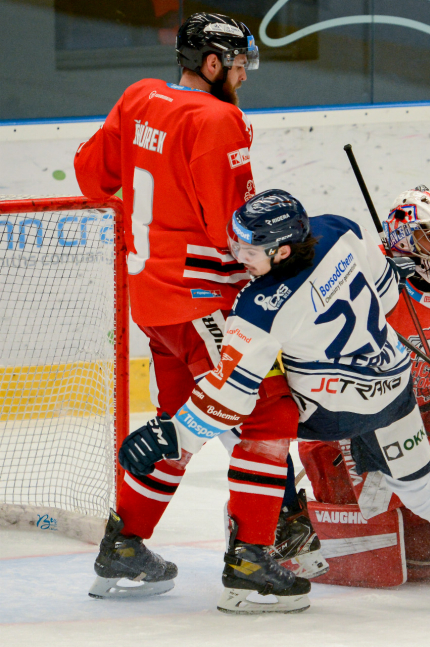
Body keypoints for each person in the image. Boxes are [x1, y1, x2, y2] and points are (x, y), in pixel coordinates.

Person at [117, 189, 430, 611]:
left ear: (281, 251)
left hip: (334, 415)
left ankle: (263, 540)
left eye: (247, 249)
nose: (237, 256)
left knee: (258, 417)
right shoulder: (339, 229)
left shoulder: (257, 309)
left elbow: (228, 397)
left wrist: (171, 434)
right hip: (394, 387)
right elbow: (389, 298)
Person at [74, 13, 308, 612]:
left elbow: (91, 178)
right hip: (203, 299)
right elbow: (235, 232)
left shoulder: (137, 97)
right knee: (267, 414)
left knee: (185, 419)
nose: (241, 78)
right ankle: (252, 557)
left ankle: (124, 545)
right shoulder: (218, 117)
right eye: (235, 66)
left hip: (151, 302)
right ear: (211, 64)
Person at [295, 186, 430, 584]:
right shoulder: (359, 285)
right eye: (429, 234)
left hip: (428, 420)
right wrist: (358, 439)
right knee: (354, 483)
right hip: (353, 421)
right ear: (403, 239)